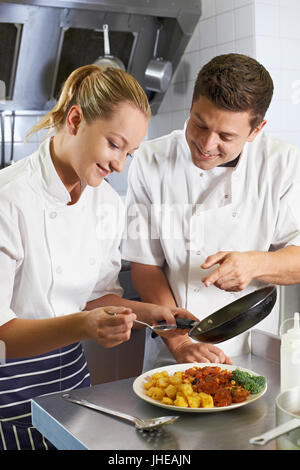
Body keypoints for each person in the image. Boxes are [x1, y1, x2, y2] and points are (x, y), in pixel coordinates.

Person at [0, 65, 194, 450]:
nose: (120, 164)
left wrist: (153, 315)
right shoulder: (9, 198)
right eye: (114, 144)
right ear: (75, 119)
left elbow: (96, 299)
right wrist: (85, 326)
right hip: (9, 387)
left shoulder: (105, 200)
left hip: (72, 379)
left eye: (130, 153)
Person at [122, 53, 300, 373]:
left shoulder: (283, 164)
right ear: (191, 107)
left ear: (256, 130)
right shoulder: (151, 160)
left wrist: (254, 264)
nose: (206, 143)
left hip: (250, 352)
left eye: (226, 136)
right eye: (199, 123)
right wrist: (181, 341)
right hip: (172, 349)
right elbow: (144, 265)